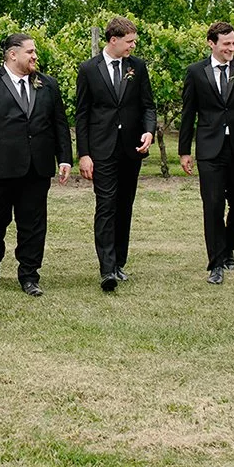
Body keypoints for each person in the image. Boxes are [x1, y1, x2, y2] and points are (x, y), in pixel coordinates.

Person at [0, 34, 72, 297]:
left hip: (36, 168)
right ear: (12, 54)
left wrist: (65, 158)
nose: (35, 56)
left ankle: (29, 275)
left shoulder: (48, 84)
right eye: (30, 52)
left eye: (35, 52)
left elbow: (59, 123)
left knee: (33, 224)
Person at [178, 22, 234, 285]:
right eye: (226, 43)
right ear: (212, 43)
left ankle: (228, 246)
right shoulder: (196, 72)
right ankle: (216, 263)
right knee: (213, 204)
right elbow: (188, 113)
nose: (232, 48)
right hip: (210, 148)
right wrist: (184, 151)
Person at [75, 17, 157, 292]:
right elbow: (82, 114)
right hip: (102, 149)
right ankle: (107, 269)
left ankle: (119, 262)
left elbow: (148, 105)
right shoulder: (89, 69)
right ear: (113, 40)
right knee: (106, 205)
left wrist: (148, 132)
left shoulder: (137, 67)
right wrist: (84, 154)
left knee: (124, 205)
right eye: (129, 41)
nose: (133, 46)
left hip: (131, 149)